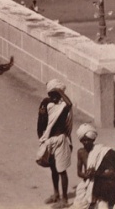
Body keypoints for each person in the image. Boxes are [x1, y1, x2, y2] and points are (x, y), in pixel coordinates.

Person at [37, 79, 73, 208]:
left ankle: (65, 199)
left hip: (61, 140)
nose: (53, 97)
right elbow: (41, 123)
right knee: (53, 168)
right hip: (49, 141)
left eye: (55, 94)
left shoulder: (63, 107)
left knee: (61, 170)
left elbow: (69, 104)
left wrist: (58, 91)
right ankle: (56, 194)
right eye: (51, 94)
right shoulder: (47, 105)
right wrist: (42, 139)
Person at [73, 124, 115, 209]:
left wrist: (96, 174)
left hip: (101, 182)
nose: (86, 142)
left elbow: (112, 172)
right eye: (83, 140)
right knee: (78, 205)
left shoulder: (102, 152)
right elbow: (79, 173)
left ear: (93, 139)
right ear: (80, 140)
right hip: (88, 182)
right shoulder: (80, 152)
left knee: (103, 204)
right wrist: (87, 175)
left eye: (88, 140)